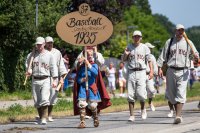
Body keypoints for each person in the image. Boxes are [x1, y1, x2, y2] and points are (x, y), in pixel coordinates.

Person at [157, 24, 199, 124]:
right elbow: (163, 55)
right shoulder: (170, 41)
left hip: (183, 70)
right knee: (171, 95)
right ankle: (177, 112)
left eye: (182, 30)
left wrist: (196, 57)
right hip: (171, 70)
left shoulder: (189, 43)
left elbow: (194, 55)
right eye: (178, 30)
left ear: (184, 31)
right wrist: (159, 68)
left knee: (180, 93)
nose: (180, 32)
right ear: (175, 31)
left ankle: (178, 116)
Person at [73, 48, 111, 128]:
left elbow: (95, 73)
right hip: (83, 88)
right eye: (88, 55)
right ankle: (82, 122)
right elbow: (78, 78)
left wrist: (88, 64)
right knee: (81, 104)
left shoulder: (94, 65)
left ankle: (95, 118)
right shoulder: (81, 67)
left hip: (91, 87)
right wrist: (82, 79)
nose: (90, 56)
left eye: (91, 55)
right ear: (84, 56)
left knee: (93, 105)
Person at [25, 37, 58, 125]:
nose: (39, 46)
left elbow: (53, 67)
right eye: (37, 44)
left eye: (40, 44)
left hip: (46, 79)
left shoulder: (49, 55)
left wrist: (55, 80)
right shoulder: (31, 55)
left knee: (44, 98)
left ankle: (44, 118)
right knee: (37, 100)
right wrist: (29, 71)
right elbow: (28, 66)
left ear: (44, 44)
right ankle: (40, 117)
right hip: (35, 79)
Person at [122, 30, 153, 122]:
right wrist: (125, 54)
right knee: (130, 94)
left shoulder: (144, 47)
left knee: (141, 93)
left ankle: (143, 109)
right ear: (133, 37)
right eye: (135, 36)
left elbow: (149, 60)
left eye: (138, 36)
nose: (137, 38)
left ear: (141, 38)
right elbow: (124, 60)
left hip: (141, 72)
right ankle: (132, 115)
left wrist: (151, 71)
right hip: (131, 71)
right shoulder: (129, 46)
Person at [45, 36, 68, 122]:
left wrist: (62, 78)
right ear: (45, 43)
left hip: (54, 77)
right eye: (48, 42)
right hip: (45, 76)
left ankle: (49, 115)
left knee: (52, 97)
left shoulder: (57, 52)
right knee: (44, 96)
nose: (50, 44)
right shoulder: (42, 52)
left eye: (51, 42)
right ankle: (43, 115)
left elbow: (61, 66)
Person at [145, 42, 158, 111]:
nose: (151, 50)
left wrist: (155, 73)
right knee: (142, 92)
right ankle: (143, 107)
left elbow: (154, 65)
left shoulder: (152, 57)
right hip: (141, 75)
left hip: (149, 75)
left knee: (152, 90)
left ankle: (150, 102)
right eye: (150, 48)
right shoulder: (141, 55)